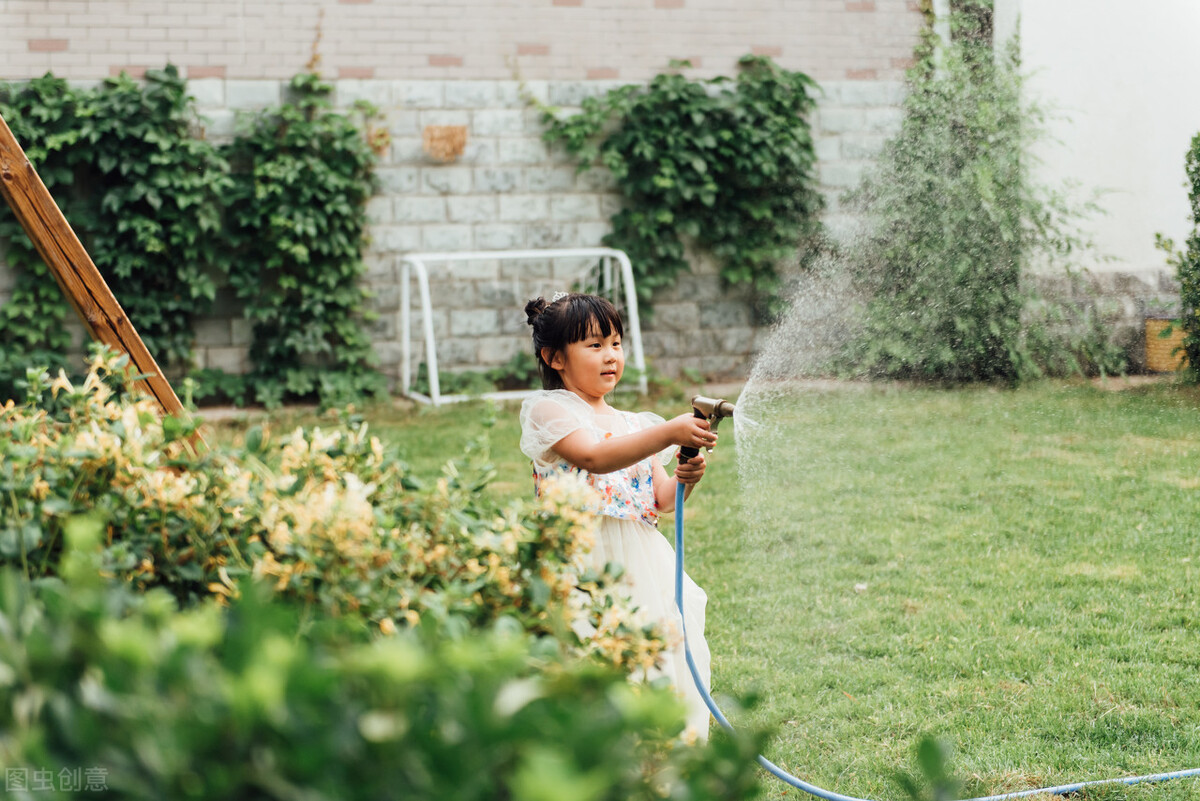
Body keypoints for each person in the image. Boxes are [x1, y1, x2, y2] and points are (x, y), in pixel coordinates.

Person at [519, 291, 715, 741]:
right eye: (593, 345)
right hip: (583, 555)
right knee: (591, 652)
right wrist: (667, 430)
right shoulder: (550, 411)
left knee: (659, 648)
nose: (610, 356)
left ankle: (660, 754)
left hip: (642, 558)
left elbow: (661, 499)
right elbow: (594, 457)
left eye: (616, 343)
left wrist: (687, 476)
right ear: (555, 358)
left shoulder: (634, 424)